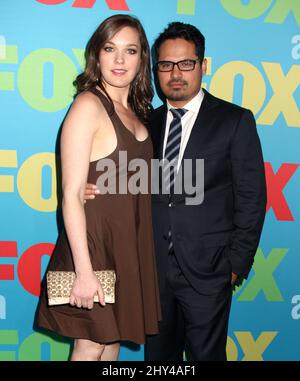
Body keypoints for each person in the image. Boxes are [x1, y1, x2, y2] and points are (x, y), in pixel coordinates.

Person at [85, 22, 267, 361]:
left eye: (186, 63)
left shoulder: (234, 120)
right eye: (166, 65)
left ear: (203, 65)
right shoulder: (144, 124)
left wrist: (234, 265)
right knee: (159, 359)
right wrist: (87, 186)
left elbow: (252, 199)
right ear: (155, 69)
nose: (176, 73)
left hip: (210, 269)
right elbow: (127, 183)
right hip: (152, 271)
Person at [36, 14, 161, 361]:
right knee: (91, 343)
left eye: (130, 50)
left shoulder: (138, 111)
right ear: (97, 54)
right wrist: (84, 272)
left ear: (141, 58)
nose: (120, 60)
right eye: (110, 48)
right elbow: (72, 195)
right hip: (93, 248)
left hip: (126, 246)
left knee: (112, 342)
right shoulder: (88, 105)